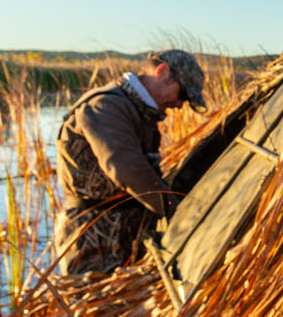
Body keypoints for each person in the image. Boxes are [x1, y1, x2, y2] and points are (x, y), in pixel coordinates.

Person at [54, 49, 207, 274]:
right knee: (94, 305)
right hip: (93, 239)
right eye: (182, 94)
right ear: (162, 71)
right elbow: (127, 170)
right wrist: (178, 212)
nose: (179, 105)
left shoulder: (139, 112)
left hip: (125, 234)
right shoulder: (105, 107)